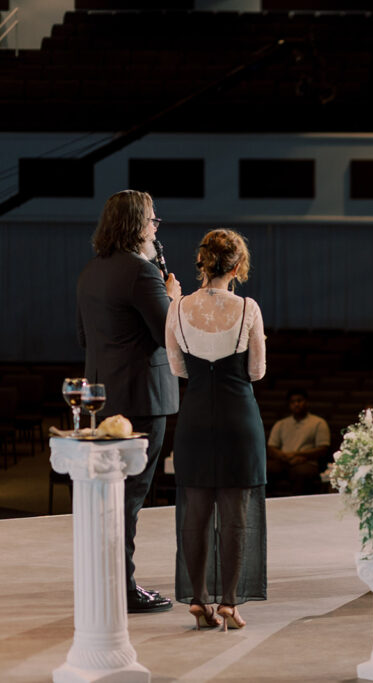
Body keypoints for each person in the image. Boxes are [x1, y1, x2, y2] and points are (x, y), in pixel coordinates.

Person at [76, 190, 181, 613]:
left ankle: (103, 579)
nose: (156, 227)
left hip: (101, 399)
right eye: (153, 220)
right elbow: (166, 336)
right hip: (141, 400)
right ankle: (124, 587)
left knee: (109, 497)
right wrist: (172, 297)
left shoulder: (90, 271)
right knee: (131, 498)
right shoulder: (142, 273)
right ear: (138, 225)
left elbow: (84, 338)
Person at [166, 229, 267, 630]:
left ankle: (196, 600)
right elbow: (257, 372)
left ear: (201, 264)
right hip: (238, 418)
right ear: (238, 267)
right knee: (235, 514)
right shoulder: (248, 309)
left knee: (195, 511)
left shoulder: (176, 308)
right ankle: (228, 603)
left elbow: (177, 368)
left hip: (194, 418)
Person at [266, 389, 331, 495]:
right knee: (265, 469)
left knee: (301, 473)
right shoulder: (281, 424)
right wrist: (286, 457)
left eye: (299, 401)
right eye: (292, 402)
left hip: (307, 462)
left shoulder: (318, 422)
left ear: (306, 402)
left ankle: (298, 507)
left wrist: (298, 455)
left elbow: (323, 448)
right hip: (284, 460)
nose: (296, 404)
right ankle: (265, 504)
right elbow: (271, 447)